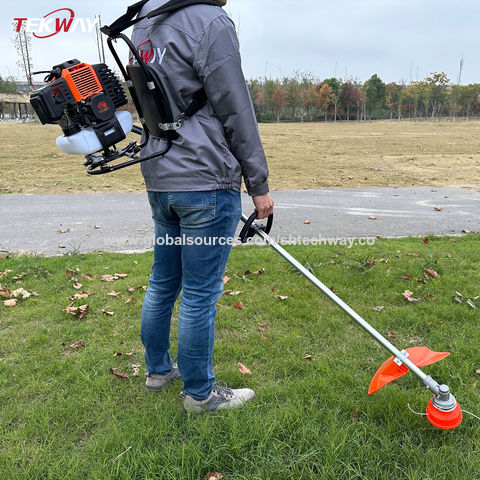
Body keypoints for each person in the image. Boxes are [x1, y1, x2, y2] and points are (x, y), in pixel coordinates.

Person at [131, 0, 274, 412]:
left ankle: (158, 370)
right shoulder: (209, 21)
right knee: (199, 294)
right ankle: (200, 394)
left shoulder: (143, 24)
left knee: (163, 283)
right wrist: (258, 183)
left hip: (160, 176)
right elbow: (235, 106)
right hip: (205, 179)